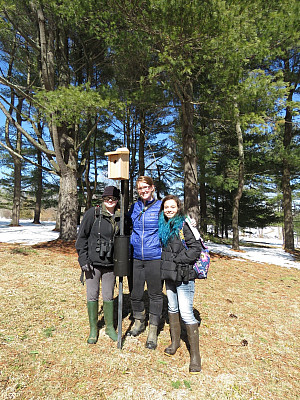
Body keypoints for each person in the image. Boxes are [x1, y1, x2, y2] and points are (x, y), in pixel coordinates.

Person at [158, 194, 202, 374]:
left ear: (178, 208)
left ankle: (195, 357)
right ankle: (175, 342)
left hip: (184, 276)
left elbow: (195, 250)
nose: (169, 209)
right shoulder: (164, 225)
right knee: (173, 309)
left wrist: (177, 260)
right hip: (169, 275)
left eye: (172, 207)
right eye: (166, 207)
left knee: (186, 313)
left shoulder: (184, 224)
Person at [75, 186, 123, 344]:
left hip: (110, 265)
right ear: (103, 199)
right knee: (92, 295)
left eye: (113, 199)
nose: (110, 201)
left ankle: (109, 327)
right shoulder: (92, 214)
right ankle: (93, 329)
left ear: (117, 201)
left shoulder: (120, 216)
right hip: (92, 264)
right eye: (107, 198)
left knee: (109, 296)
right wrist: (83, 260)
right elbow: (81, 238)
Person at [127, 176, 163, 350]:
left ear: (152, 188)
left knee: (155, 294)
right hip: (136, 256)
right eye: (140, 188)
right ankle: (139, 321)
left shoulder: (161, 206)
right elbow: (125, 224)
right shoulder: (134, 207)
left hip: (155, 256)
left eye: (146, 187)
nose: (143, 190)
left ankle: (153, 330)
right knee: (135, 293)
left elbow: (173, 223)